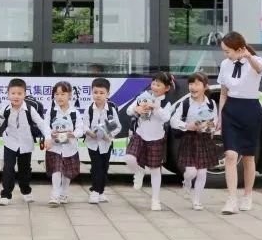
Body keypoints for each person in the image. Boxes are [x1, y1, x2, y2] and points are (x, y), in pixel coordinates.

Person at [217, 31, 262, 215]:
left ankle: (247, 195)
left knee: (248, 157)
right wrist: (220, 117)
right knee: (230, 155)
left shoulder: (256, 61)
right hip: (231, 110)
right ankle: (231, 199)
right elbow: (223, 93)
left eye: (227, 51)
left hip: (250, 110)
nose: (225, 55)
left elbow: (259, 69)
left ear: (239, 49)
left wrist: (248, 56)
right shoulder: (225, 64)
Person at [169, 72, 218, 211]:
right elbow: (173, 121)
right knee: (191, 172)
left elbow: (214, 122)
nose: (192, 87)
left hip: (204, 139)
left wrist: (206, 126)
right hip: (189, 139)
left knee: (202, 172)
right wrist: (187, 125)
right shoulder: (185, 103)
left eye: (197, 84)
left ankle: (197, 201)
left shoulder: (211, 104)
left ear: (205, 87)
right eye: (191, 84)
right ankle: (187, 181)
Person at [0, 78, 48, 206]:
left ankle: (26, 191)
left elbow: (41, 124)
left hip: (26, 144)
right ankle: (6, 195)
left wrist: (48, 136)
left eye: (19, 93)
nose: (16, 96)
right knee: (8, 168)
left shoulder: (30, 109)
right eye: (13, 93)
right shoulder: (5, 109)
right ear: (8, 94)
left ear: (25, 94)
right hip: (10, 142)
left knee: (25, 170)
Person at [125, 72, 173, 211]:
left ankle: (155, 200)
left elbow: (166, 118)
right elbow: (128, 110)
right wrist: (137, 109)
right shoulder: (143, 96)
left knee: (155, 170)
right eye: (153, 83)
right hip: (140, 134)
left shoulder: (166, 102)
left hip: (156, 138)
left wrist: (155, 107)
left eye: (158, 85)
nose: (155, 87)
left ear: (167, 88)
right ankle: (139, 172)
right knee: (129, 158)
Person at [43, 81, 86, 206]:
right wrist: (50, 134)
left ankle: (64, 192)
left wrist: (73, 134)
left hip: (70, 147)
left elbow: (80, 128)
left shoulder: (74, 113)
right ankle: (55, 194)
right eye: (56, 94)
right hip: (55, 147)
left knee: (67, 173)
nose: (59, 97)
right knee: (56, 170)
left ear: (70, 95)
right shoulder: (51, 112)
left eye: (63, 94)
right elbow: (45, 127)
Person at [84, 77, 122, 205]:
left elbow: (118, 126)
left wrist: (109, 136)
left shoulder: (111, 109)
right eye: (95, 92)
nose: (98, 95)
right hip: (93, 144)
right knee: (96, 167)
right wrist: (89, 132)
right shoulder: (89, 109)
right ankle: (94, 191)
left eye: (101, 93)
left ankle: (101, 192)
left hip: (106, 144)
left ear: (108, 94)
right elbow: (84, 125)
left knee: (104, 167)